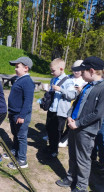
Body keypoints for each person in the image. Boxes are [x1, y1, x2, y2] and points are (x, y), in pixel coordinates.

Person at [56, 56, 104, 192]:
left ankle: (81, 186)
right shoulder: (87, 85)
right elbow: (76, 102)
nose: (81, 74)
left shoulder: (102, 89)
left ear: (92, 71)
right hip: (74, 126)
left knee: (83, 159)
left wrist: (79, 123)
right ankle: (70, 177)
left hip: (86, 130)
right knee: (73, 155)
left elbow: (98, 113)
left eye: (83, 71)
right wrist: (70, 116)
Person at [2, 57, 35, 169]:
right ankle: (15, 151)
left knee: (21, 136)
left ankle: (22, 159)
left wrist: (22, 116)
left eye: (17, 67)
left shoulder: (27, 82)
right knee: (15, 134)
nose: (15, 69)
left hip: (21, 115)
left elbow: (28, 101)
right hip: (14, 113)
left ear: (26, 68)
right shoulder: (19, 79)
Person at [43, 58, 77, 158]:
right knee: (49, 128)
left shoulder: (68, 81)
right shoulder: (53, 79)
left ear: (61, 69)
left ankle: (54, 150)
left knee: (57, 131)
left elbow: (72, 95)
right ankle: (51, 146)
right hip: (52, 109)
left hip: (60, 112)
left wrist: (61, 89)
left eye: (53, 70)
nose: (51, 72)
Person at [59, 60, 86, 148]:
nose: (76, 71)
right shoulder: (68, 77)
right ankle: (57, 136)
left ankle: (65, 139)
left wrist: (80, 90)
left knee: (70, 122)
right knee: (60, 121)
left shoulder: (85, 80)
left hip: (75, 104)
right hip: (65, 102)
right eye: (74, 69)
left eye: (78, 70)